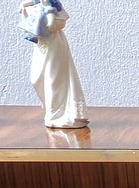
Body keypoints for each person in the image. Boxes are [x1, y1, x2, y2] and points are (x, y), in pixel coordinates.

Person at [19, 0, 88, 130]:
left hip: (54, 44)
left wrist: (46, 15)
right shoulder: (37, 5)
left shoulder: (55, 7)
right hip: (42, 45)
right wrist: (27, 8)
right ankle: (52, 112)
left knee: (53, 80)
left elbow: (56, 24)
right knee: (36, 77)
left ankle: (57, 115)